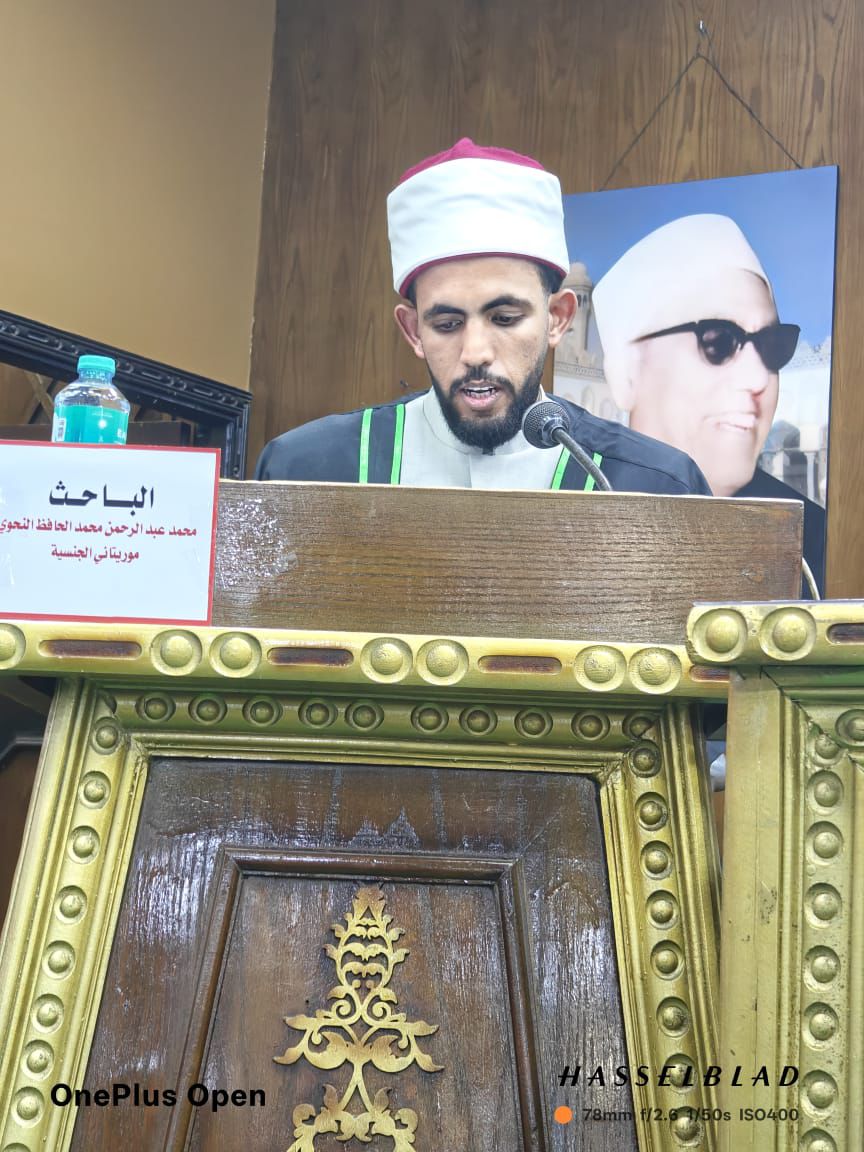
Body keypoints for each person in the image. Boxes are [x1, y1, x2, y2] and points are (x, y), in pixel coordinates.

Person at [255, 139, 710, 497]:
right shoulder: (304, 472)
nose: (475, 353)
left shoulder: (656, 486)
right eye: (447, 325)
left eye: (505, 318)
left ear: (557, 318)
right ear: (413, 330)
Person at [592, 214, 826, 593]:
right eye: (718, 341)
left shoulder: (809, 537)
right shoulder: (578, 512)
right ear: (625, 371)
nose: (757, 379)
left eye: (772, 346)